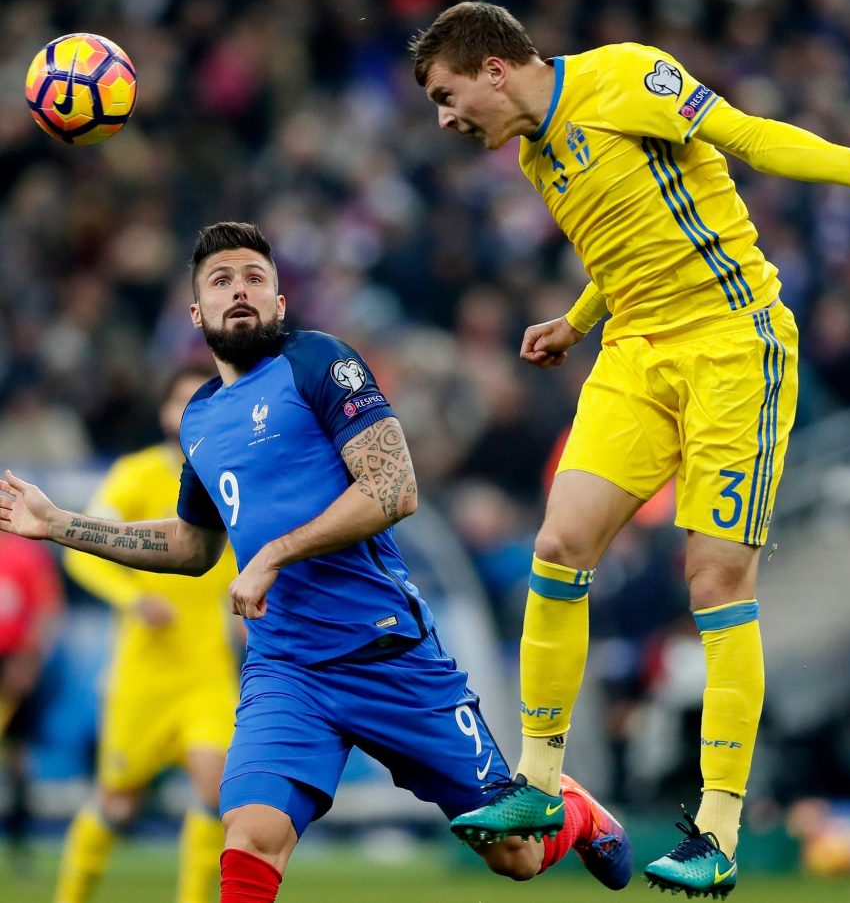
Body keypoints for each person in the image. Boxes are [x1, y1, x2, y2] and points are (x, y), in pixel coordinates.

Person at [409, 1, 850, 898]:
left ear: (494, 67)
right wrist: (574, 323)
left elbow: (746, 135)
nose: (448, 120)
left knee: (716, 582)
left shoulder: (625, 76)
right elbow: (624, 255)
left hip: (733, 345)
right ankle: (536, 784)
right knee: (558, 545)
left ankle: (717, 830)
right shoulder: (538, 153)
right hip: (635, 356)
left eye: (449, 96)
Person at [0, 222, 632, 902]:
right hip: (287, 670)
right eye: (220, 281)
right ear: (196, 314)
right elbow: (191, 543)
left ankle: (571, 808)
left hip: (388, 655)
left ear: (278, 303)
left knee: (516, 856)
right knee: (247, 835)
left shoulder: (320, 363)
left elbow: (395, 488)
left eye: (253, 278)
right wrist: (58, 524)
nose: (238, 289)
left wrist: (274, 552)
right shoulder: (201, 419)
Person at [53, 366, 242, 903]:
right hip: (144, 674)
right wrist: (134, 599)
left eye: (200, 402)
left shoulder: (231, 478)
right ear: (163, 412)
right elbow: (84, 557)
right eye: (180, 402)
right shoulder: (135, 476)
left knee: (216, 788)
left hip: (207, 672)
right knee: (117, 803)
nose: (189, 413)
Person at [0, 531, 64, 867]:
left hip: (15, 664)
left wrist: (28, 662)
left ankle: (18, 844)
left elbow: (48, 610)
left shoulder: (26, 556)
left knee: (17, 756)